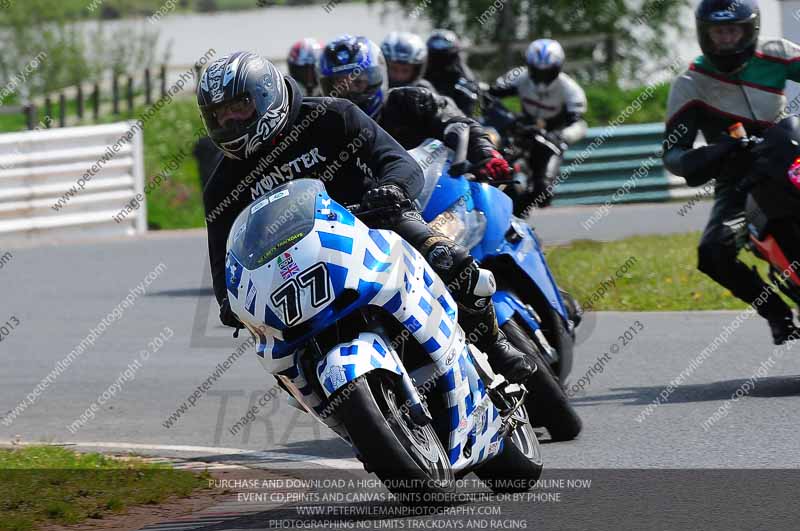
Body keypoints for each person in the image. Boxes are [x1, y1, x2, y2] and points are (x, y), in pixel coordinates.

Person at [198, 51, 533, 382]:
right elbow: (222, 258)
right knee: (275, 347)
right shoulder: (222, 184)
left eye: (239, 106)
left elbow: (398, 161)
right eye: (219, 115)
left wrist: (393, 188)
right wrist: (230, 304)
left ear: (266, 94)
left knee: (450, 258)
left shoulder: (332, 115)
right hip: (296, 264)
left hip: (375, 224)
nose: (230, 122)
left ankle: (495, 344)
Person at [662, 0, 800, 344]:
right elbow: (673, 153)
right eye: (718, 32)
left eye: (733, 30)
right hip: (738, 176)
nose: (726, 39)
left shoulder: (778, 52)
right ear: (703, 34)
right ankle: (776, 313)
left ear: (749, 29)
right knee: (713, 252)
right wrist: (712, 152)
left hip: (790, 153)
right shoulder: (690, 83)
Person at [322, 34, 511, 182]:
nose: (349, 92)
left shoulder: (413, 100)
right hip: (375, 214)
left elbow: (458, 122)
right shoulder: (328, 126)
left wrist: (487, 154)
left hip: (437, 194)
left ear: (376, 76)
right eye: (339, 85)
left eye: (358, 82)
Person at [490, 38, 588, 209]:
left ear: (558, 68)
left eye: (548, 72)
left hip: (549, 139)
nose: (542, 79)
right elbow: (490, 95)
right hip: (520, 130)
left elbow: (580, 124)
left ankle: (520, 212)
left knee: (543, 193)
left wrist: (560, 136)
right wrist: (505, 118)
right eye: (537, 72)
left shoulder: (571, 90)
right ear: (529, 66)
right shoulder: (519, 76)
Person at [423, 29, 481, 116]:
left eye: (444, 56)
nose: (439, 62)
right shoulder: (421, 81)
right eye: (435, 56)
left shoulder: (465, 86)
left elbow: (474, 115)